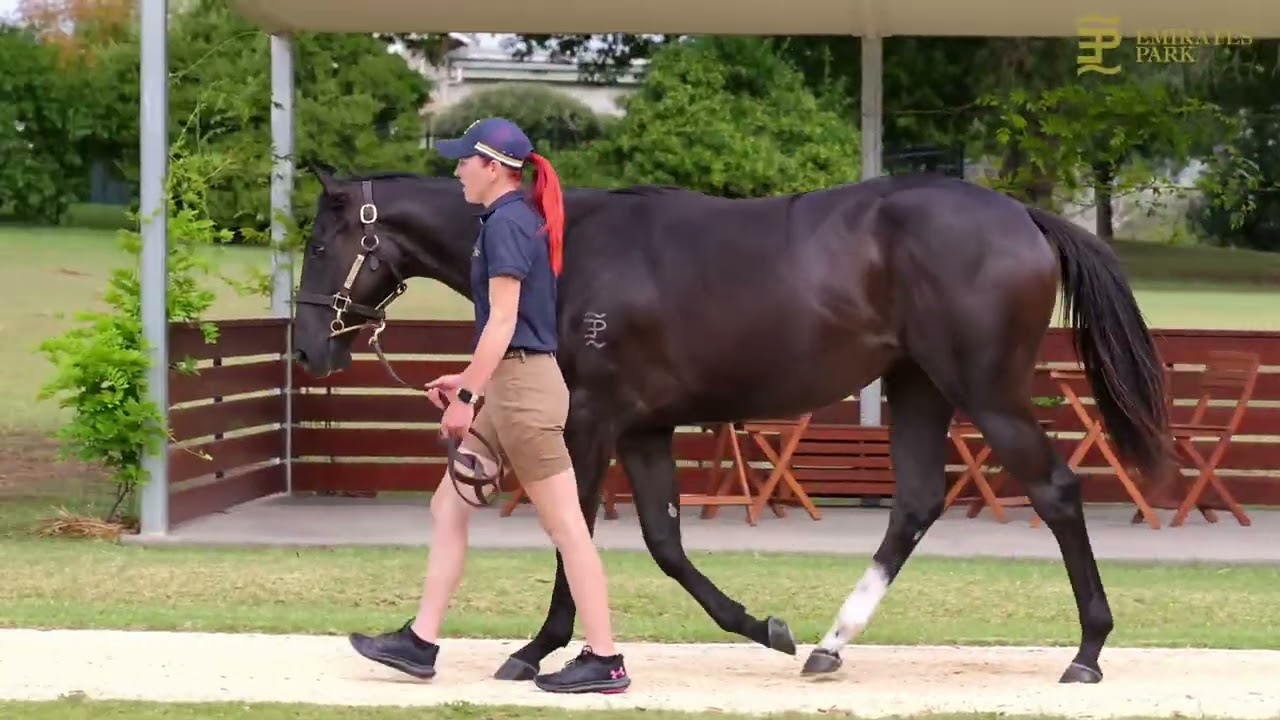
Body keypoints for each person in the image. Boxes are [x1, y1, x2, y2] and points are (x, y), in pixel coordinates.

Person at [346, 117, 630, 694]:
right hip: (509, 386)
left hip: (523, 398)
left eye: (463, 161)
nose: (456, 171)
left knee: (569, 528)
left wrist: (469, 397)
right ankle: (420, 643)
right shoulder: (507, 219)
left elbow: (504, 321)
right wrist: (470, 378)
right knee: (449, 505)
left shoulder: (506, 225)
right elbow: (511, 329)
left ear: (493, 167)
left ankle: (606, 659)